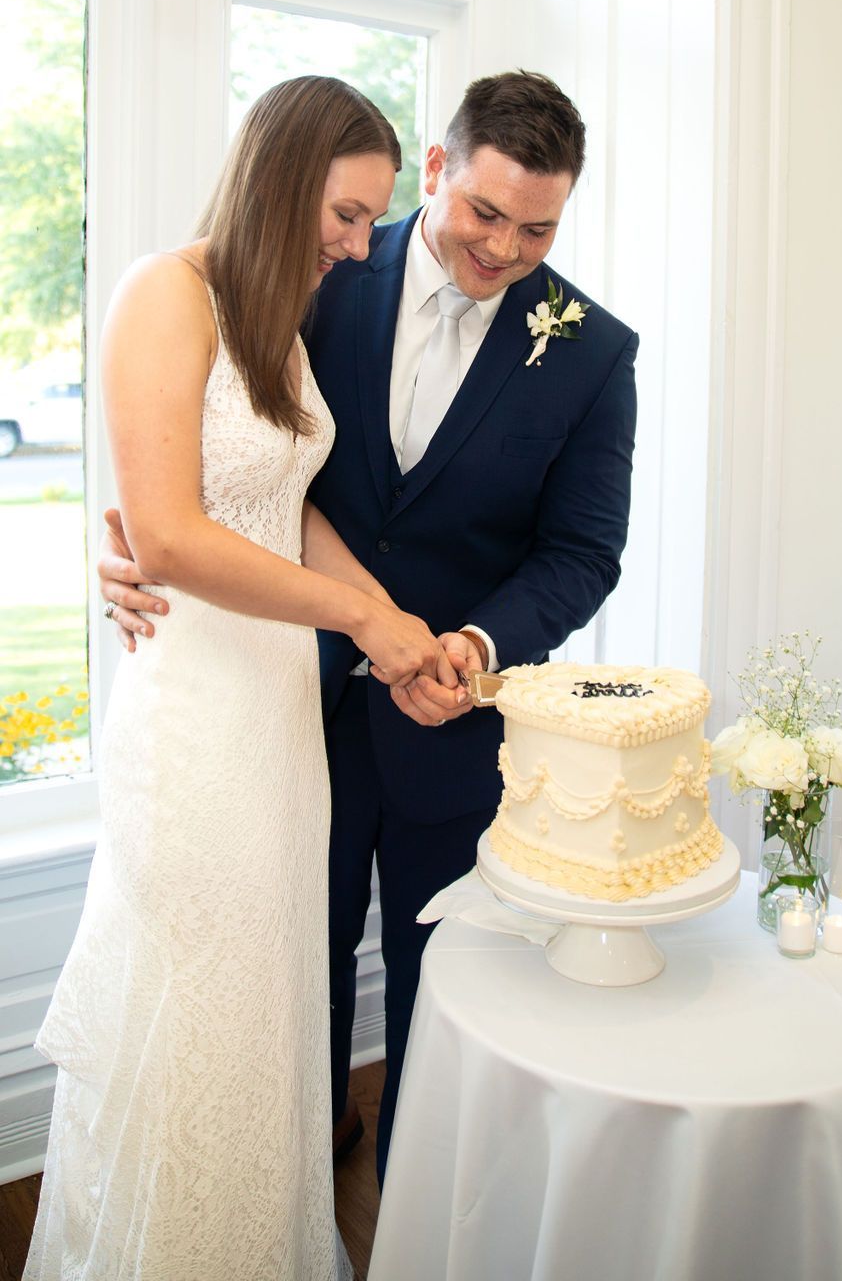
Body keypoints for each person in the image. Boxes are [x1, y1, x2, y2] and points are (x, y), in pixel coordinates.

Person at [100, 69, 639, 1185]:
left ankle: (415, 1223)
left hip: (449, 719)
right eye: (484, 214)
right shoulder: (315, 268)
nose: (502, 250)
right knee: (276, 989)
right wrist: (123, 546)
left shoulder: (590, 350)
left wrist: (473, 649)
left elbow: (582, 552)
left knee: (444, 996)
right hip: (278, 703)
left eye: (536, 229)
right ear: (436, 172)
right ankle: (282, 1187)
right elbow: (198, 461)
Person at [25, 76, 457, 1281]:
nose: (358, 243)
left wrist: (383, 613)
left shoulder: (272, 319)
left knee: (266, 1021)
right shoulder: (163, 292)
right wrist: (361, 624)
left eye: (370, 220)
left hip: (278, 721)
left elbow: (280, 508)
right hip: (198, 720)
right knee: (193, 1032)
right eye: (346, 212)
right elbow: (163, 535)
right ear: (279, 172)